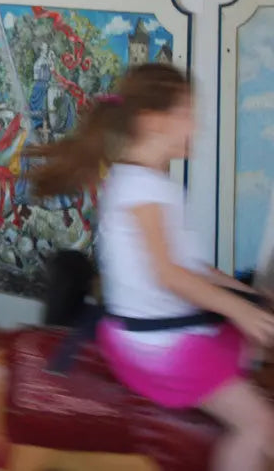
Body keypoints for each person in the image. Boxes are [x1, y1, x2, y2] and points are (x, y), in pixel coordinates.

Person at [28, 63, 274, 471]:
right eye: (188, 114)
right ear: (153, 122)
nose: (197, 125)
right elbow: (169, 275)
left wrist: (249, 295)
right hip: (158, 346)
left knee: (252, 341)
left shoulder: (146, 180)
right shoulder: (144, 188)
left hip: (166, 327)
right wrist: (238, 309)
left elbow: (193, 266)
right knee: (261, 426)